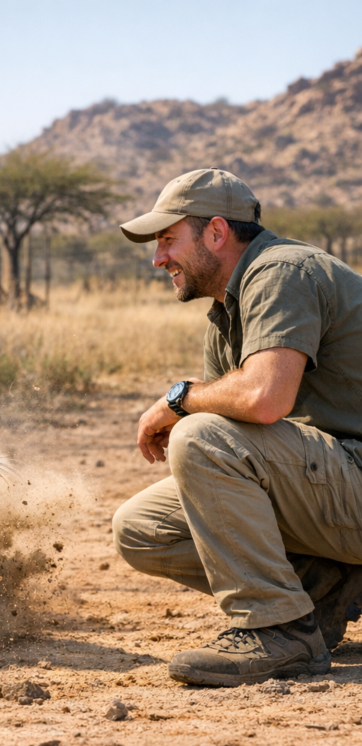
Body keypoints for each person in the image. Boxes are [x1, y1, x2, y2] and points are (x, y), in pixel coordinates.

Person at [113, 168, 362, 686]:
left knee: (199, 436)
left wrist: (177, 399)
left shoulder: (282, 272)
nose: (158, 259)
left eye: (167, 240)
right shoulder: (226, 310)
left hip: (352, 476)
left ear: (217, 232)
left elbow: (262, 399)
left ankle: (281, 631)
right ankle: (327, 591)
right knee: (140, 529)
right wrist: (191, 404)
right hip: (336, 483)